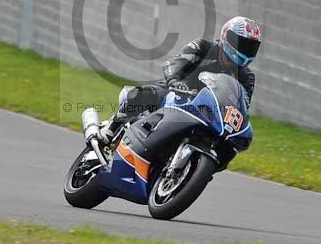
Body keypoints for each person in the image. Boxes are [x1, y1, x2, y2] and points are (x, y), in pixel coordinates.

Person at [98, 16, 261, 150]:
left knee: (228, 147)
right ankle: (111, 130)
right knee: (143, 95)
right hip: (178, 94)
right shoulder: (203, 47)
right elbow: (176, 62)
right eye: (242, 43)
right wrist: (174, 80)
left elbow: (242, 108)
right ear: (227, 37)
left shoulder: (247, 77)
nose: (245, 50)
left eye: (250, 47)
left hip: (208, 113)